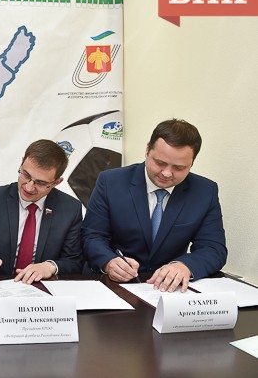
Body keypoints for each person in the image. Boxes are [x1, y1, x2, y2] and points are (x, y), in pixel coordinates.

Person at [82, 119, 227, 293]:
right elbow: (92, 236)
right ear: (147, 150)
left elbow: (213, 248)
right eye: (160, 163)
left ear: (192, 163)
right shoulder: (111, 182)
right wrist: (109, 262)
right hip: (114, 286)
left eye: (179, 167)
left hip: (168, 290)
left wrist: (185, 266)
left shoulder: (204, 191)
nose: (166, 173)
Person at [0, 139, 84, 284]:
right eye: (26, 175)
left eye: (40, 183)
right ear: (21, 164)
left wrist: (50, 266)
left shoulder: (70, 209)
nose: (29, 187)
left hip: (42, 289)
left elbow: (74, 262)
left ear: (56, 182)